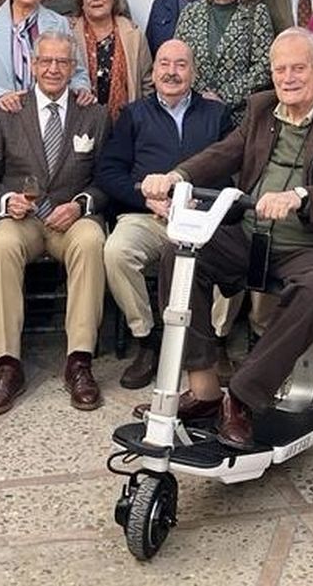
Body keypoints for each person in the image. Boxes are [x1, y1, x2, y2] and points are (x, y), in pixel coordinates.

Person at [142, 28, 313, 449]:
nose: (288, 78)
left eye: (298, 68)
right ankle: (203, 389)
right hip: (252, 236)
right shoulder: (262, 108)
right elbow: (225, 152)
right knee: (181, 253)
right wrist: (177, 176)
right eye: (280, 70)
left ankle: (241, 397)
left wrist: (300, 197)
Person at [0, 32, 110, 415]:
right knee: (0, 245)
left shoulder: (94, 113)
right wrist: (6, 200)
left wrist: (83, 204)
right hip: (23, 219)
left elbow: (107, 177)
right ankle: (7, 365)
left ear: (73, 68)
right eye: (46, 61)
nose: (54, 69)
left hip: (71, 218)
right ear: (33, 66)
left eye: (62, 62)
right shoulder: (6, 112)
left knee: (91, 241)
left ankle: (79, 362)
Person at [96, 39, 231, 388]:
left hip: (202, 216)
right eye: (164, 64)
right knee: (116, 252)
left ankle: (215, 341)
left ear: (194, 72)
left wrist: (205, 203)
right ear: (153, 72)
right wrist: (146, 199)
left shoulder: (217, 115)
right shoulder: (133, 115)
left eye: (181, 65)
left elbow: (238, 171)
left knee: (235, 248)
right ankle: (147, 339)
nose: (172, 72)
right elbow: (109, 173)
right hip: (149, 216)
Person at [173, 0, 273, 124]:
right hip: (193, 112)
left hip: (237, 118)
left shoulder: (257, 13)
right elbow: (178, 58)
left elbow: (264, 67)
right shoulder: (191, 12)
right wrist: (202, 98)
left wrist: (223, 97)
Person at [69, 0, 152, 122]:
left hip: (125, 126)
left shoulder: (133, 34)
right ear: (81, 1)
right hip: (80, 125)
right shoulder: (68, 33)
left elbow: (147, 84)